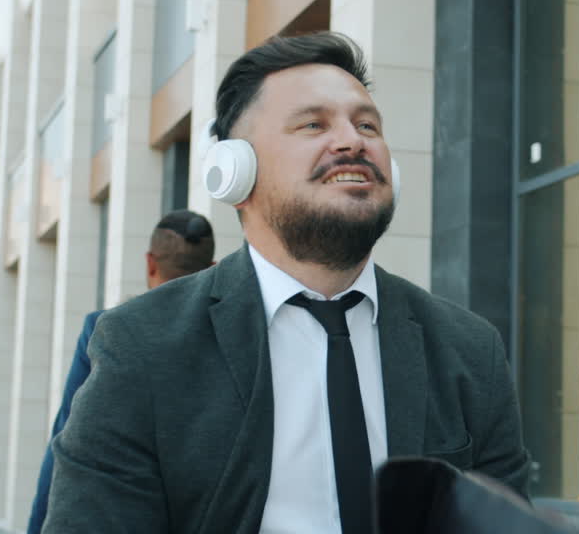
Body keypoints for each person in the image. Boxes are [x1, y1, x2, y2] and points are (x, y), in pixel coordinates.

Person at [43, 32, 530, 533]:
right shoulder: (140, 346)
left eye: (367, 125)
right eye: (313, 124)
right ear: (234, 172)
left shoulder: (470, 351)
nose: (352, 140)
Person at [26, 210, 215, 534]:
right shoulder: (234, 336)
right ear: (212, 269)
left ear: (150, 264)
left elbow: (66, 443)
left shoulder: (108, 332)